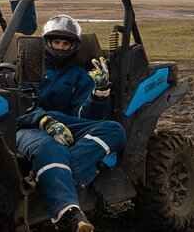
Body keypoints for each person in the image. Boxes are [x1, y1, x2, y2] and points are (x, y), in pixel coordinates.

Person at [16, 15, 126, 232]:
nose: (61, 47)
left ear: (74, 46)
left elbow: (85, 117)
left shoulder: (79, 75)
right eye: (56, 42)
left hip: (67, 125)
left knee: (114, 129)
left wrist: (100, 93)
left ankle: (55, 174)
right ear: (46, 43)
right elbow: (18, 107)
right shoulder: (28, 68)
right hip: (30, 126)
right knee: (50, 147)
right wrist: (43, 120)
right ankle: (71, 215)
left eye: (66, 43)